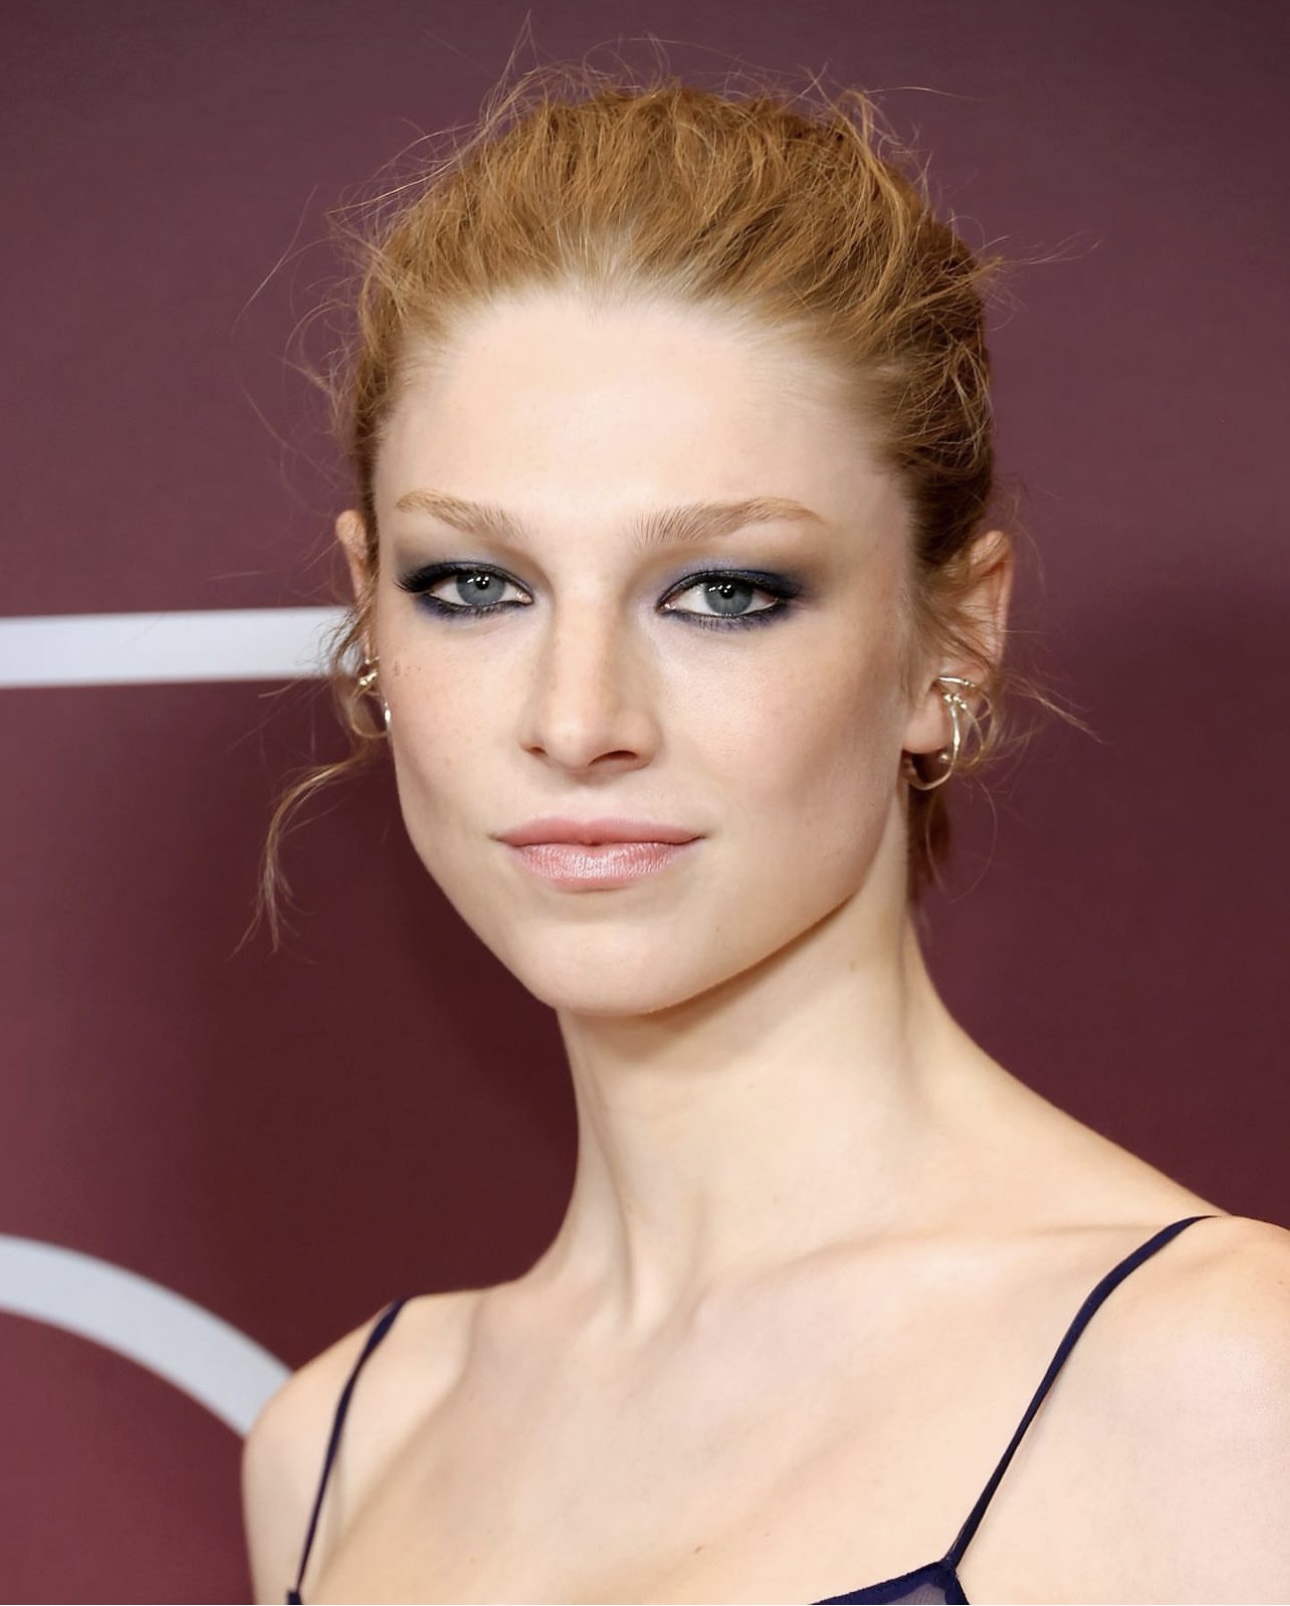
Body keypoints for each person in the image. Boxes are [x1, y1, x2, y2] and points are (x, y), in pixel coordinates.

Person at [240, 63, 1290, 1605]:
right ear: (369, 611)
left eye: (723, 591)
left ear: (952, 636)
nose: (577, 716)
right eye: (474, 585)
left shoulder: (1221, 1382)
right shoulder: (341, 1442)